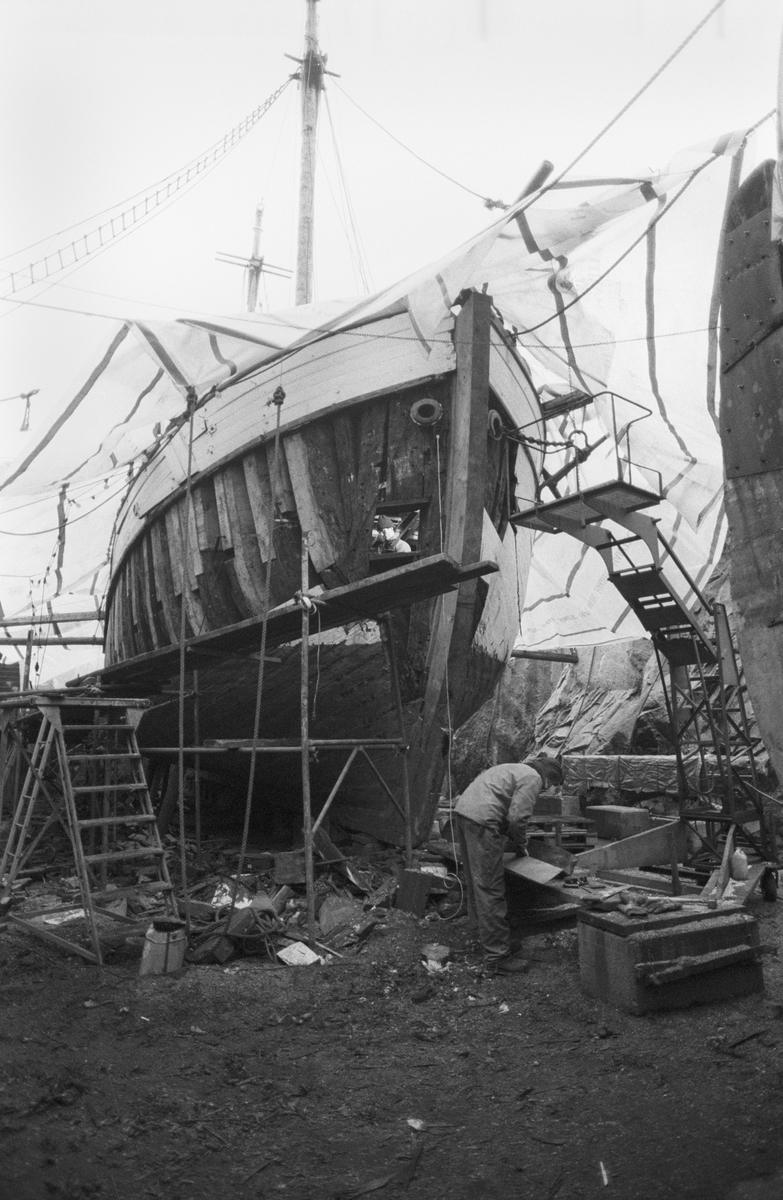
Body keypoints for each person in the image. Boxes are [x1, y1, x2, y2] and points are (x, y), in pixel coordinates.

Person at [454, 756, 563, 973]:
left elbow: (501, 804)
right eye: (552, 786)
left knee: (477, 884)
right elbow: (517, 818)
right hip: (483, 821)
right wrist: (521, 844)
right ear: (549, 779)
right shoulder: (533, 777)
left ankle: (486, 940)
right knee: (490, 889)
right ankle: (497, 956)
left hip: (464, 814)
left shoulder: (512, 768)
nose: (546, 791)